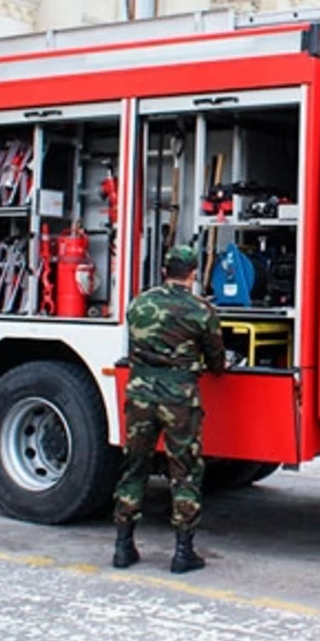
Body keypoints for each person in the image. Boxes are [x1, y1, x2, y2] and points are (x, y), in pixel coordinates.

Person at [112, 244, 225, 573]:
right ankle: (182, 553)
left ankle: (123, 546)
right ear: (192, 274)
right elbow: (217, 362)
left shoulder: (140, 303)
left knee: (134, 468)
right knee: (185, 472)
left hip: (140, 395)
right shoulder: (201, 310)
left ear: (165, 270)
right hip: (178, 399)